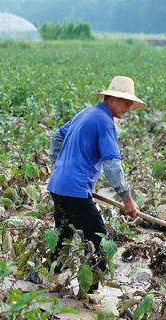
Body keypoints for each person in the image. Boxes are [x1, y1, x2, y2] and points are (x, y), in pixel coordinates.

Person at [46, 76, 146, 291]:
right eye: (126, 103)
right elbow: (112, 165)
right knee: (100, 238)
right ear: (111, 99)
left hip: (58, 186)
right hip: (74, 190)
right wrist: (127, 199)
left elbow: (56, 137)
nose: (128, 109)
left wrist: (59, 166)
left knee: (64, 233)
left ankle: (52, 279)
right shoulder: (104, 122)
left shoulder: (86, 113)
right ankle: (91, 290)